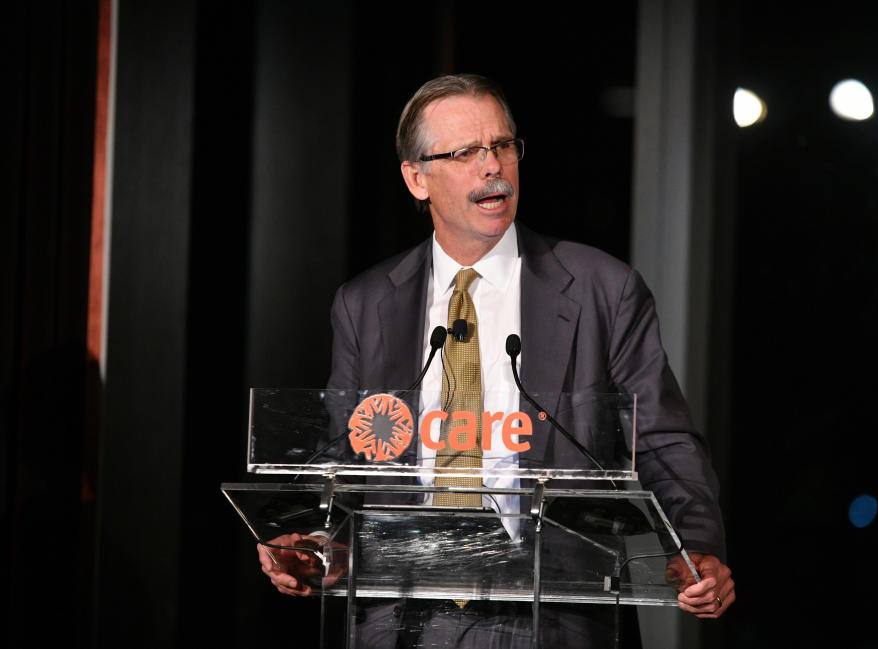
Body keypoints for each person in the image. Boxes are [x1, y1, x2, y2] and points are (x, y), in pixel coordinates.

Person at [258, 73, 735, 645]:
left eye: (503, 146)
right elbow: (343, 459)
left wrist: (696, 545)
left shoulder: (600, 289)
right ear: (417, 178)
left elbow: (662, 439)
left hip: (553, 611)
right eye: (465, 152)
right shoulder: (366, 304)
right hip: (406, 613)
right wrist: (311, 539)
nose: (493, 167)